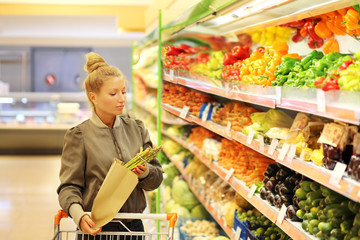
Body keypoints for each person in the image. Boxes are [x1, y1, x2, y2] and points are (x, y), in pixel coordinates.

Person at [57, 52, 163, 239]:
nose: (121, 99)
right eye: (113, 93)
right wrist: (79, 216)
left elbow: (156, 179)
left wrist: (146, 172)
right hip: (96, 228)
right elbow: (68, 187)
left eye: (123, 91)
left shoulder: (136, 128)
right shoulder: (79, 135)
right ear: (93, 97)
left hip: (133, 226)